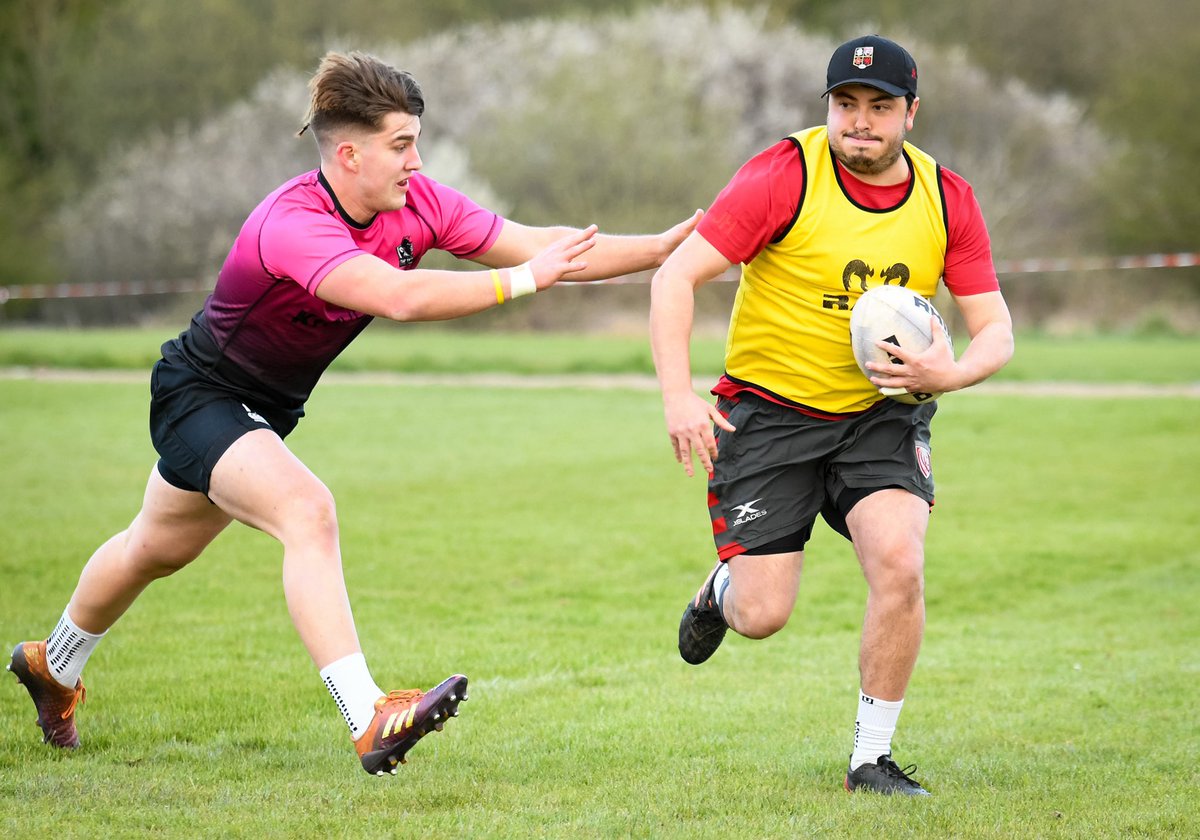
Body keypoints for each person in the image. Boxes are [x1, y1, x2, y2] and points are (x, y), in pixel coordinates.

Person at [8, 50, 700, 777]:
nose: (416, 161)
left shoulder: (418, 202)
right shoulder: (292, 222)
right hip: (201, 393)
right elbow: (399, 296)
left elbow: (543, 245)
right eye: (401, 145)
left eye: (415, 142)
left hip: (266, 409)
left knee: (153, 548)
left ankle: (53, 663)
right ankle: (369, 716)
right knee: (307, 511)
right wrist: (524, 281)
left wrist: (660, 250)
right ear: (349, 154)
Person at [649, 35, 1013, 796]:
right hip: (769, 415)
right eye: (846, 104)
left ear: (911, 112)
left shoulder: (947, 197)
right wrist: (679, 396)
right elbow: (675, 277)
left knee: (900, 565)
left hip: (880, 415)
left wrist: (948, 373)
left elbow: (996, 331)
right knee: (763, 614)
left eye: (880, 106)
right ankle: (719, 592)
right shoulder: (783, 175)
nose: (860, 121)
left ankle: (869, 760)